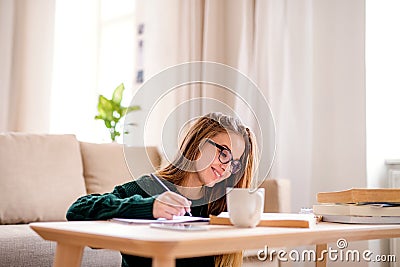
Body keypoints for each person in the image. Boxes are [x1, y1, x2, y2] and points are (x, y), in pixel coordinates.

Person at [67, 112, 257, 267]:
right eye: (223, 153)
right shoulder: (149, 188)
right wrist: (149, 208)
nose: (226, 167)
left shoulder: (218, 205)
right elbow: (76, 210)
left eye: (234, 164)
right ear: (198, 142)